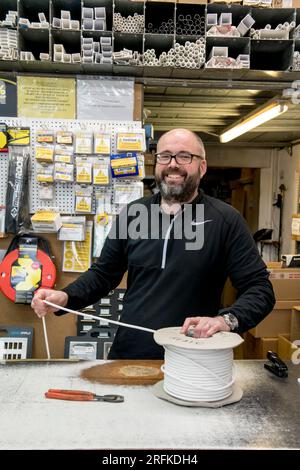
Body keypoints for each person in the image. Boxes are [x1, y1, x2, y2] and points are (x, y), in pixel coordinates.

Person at [31, 128, 275, 359]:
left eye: (184, 156)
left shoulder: (225, 220)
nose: (172, 164)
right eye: (165, 156)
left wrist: (224, 321)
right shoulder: (134, 213)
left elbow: (260, 289)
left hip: (193, 357)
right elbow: (104, 274)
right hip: (129, 354)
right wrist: (65, 296)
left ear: (202, 167)